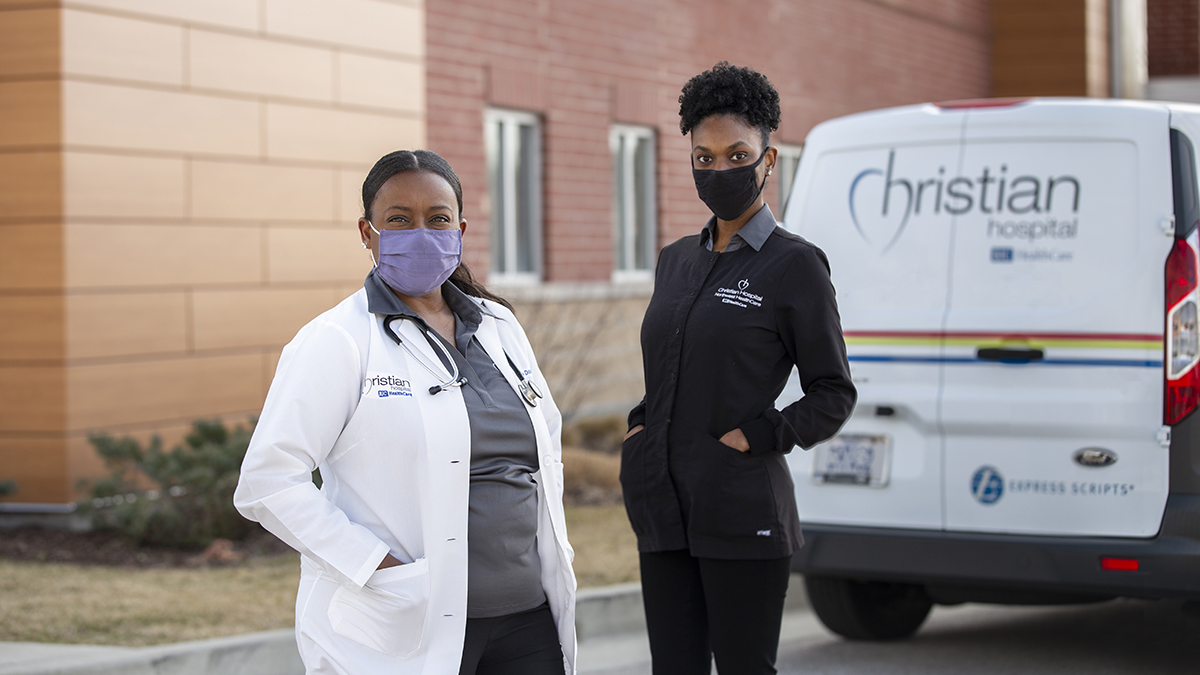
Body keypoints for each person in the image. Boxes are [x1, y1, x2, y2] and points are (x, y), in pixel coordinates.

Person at [234, 150, 576, 675]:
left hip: (527, 617)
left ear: (460, 229)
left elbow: (544, 447)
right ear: (367, 233)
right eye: (399, 219)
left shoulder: (498, 325)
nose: (421, 232)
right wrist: (375, 565)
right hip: (409, 623)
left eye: (437, 218)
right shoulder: (337, 340)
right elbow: (268, 481)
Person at [620, 62, 857, 674]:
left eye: (737, 154)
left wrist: (760, 435)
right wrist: (642, 428)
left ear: (768, 161)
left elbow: (833, 392)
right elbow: (667, 370)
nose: (719, 170)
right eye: (704, 157)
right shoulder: (674, 261)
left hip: (740, 508)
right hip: (664, 510)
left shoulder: (795, 265)